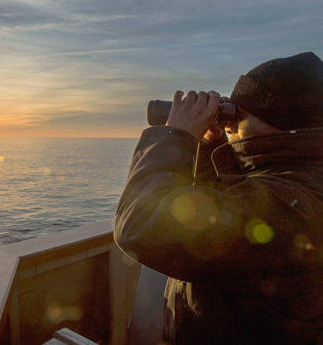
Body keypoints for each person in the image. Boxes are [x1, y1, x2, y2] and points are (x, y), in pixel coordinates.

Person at [114, 52, 323, 344]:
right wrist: (209, 144)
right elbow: (223, 210)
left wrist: (176, 135)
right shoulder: (296, 184)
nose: (229, 124)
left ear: (280, 122)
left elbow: (140, 222)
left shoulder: (293, 207)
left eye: (238, 114)